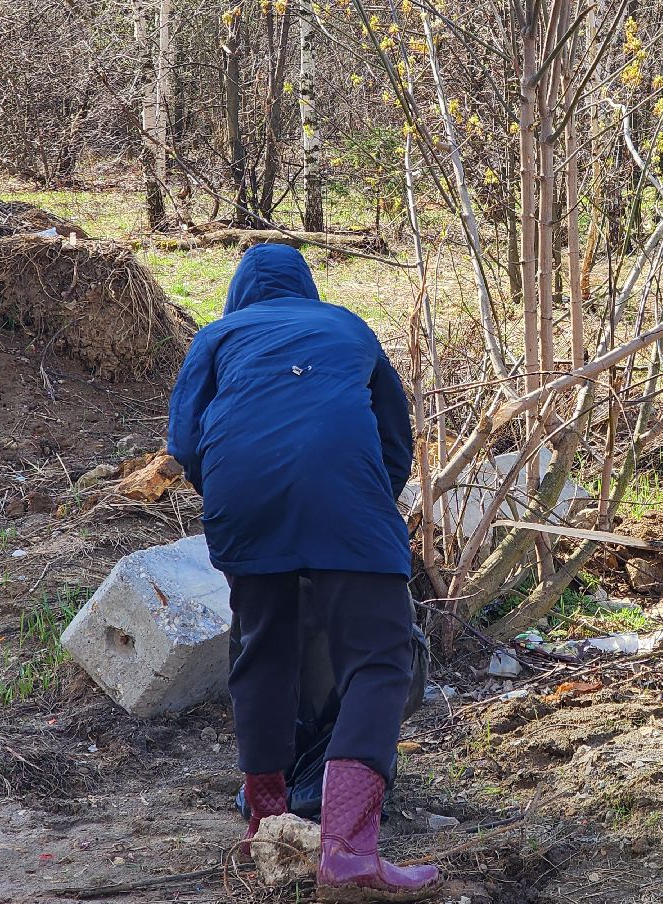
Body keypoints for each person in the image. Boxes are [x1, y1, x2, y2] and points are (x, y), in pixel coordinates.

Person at [167, 243, 441, 901]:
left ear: (238, 294)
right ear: (307, 290)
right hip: (345, 493)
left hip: (243, 494)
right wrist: (357, 521)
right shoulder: (347, 326)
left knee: (262, 649)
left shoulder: (218, 335)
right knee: (379, 657)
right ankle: (347, 854)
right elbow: (395, 443)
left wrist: (240, 506)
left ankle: (270, 828)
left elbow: (183, 443)